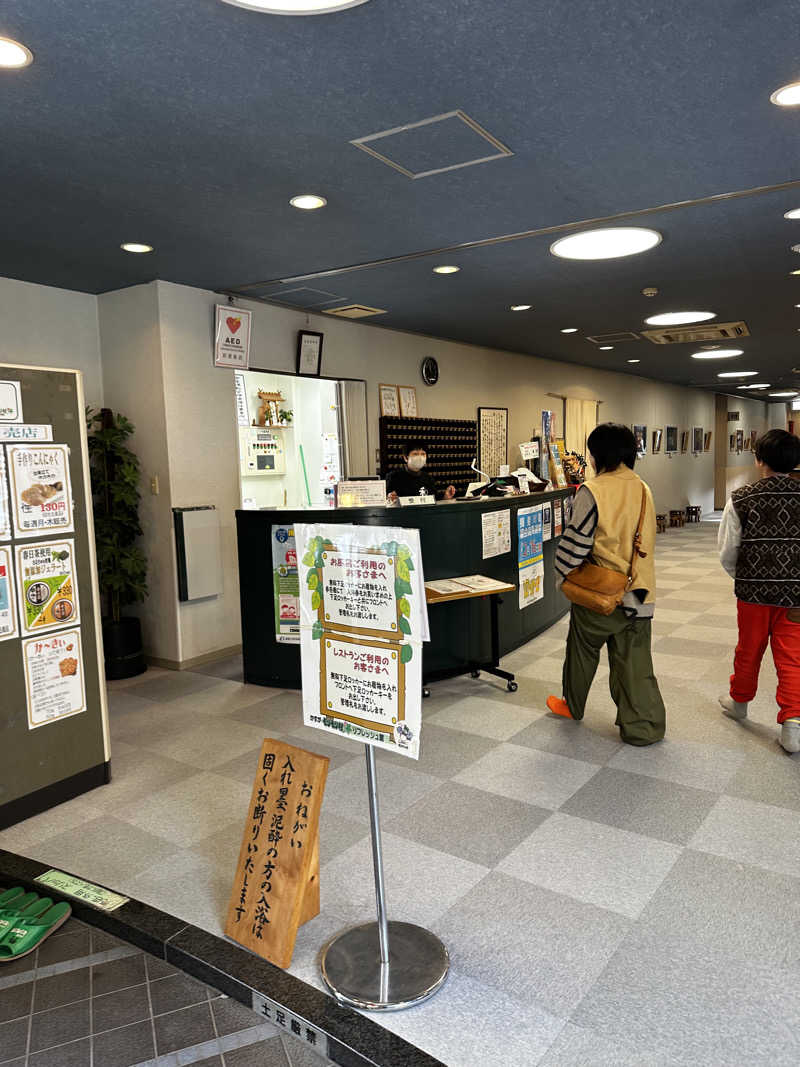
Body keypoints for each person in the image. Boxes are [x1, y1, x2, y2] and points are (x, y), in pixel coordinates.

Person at [546, 422, 665, 746]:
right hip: (640, 590)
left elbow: (575, 544)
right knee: (635, 662)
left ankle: (572, 705)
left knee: (582, 650)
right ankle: (644, 727)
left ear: (599, 454)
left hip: (601, 592)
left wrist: (563, 575)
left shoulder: (593, 490)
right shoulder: (643, 488)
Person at [717, 428, 800, 754]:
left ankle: (739, 701)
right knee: (792, 657)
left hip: (753, 593)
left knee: (748, 648)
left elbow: (727, 551)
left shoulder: (742, 497)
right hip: (797, 595)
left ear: (759, 460)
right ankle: (793, 722)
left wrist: (746, 577)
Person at [386, 439, 456, 502]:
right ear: (405, 458)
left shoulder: (428, 479)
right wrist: (389, 499)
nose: (420, 457)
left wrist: (446, 497)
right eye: (415, 454)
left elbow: (435, 501)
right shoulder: (393, 477)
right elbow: (387, 500)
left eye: (423, 454)